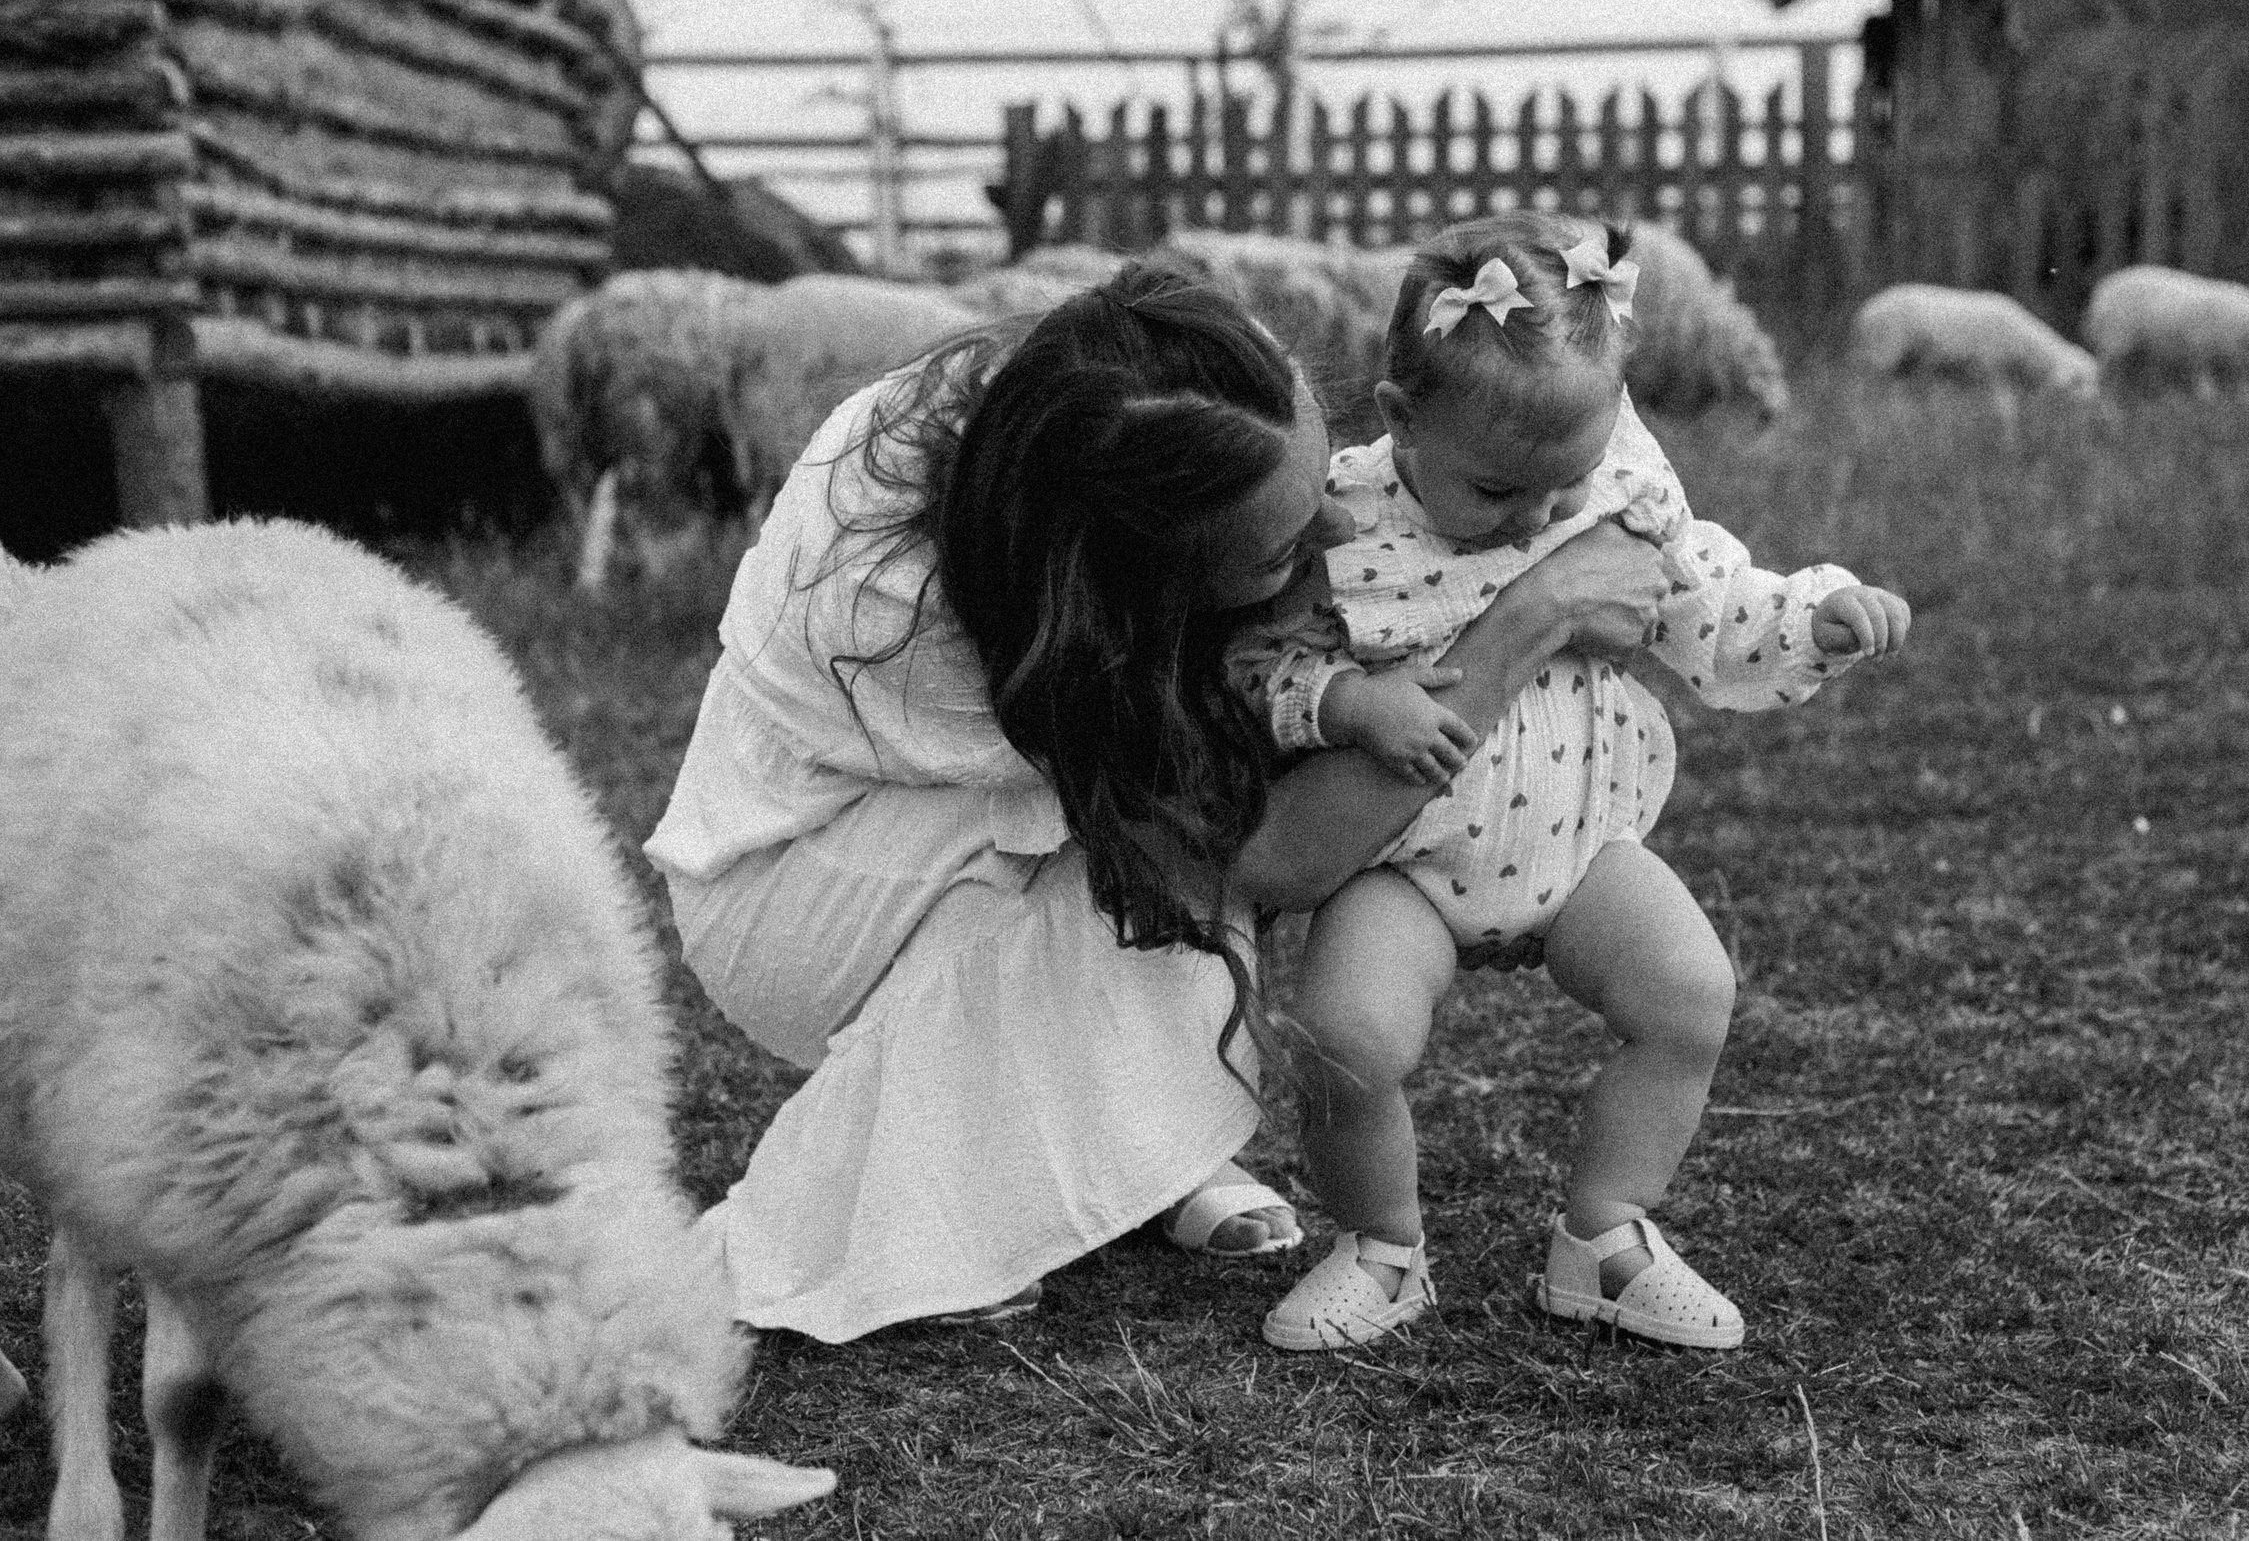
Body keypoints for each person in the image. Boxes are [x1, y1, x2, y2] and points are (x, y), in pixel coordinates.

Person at [642, 262, 1681, 1340]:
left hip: (913, 815)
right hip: (793, 891)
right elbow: (1279, 861)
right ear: (1133, 585)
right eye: (1282, 547)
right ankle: (947, 1218)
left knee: (1160, 841)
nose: (1336, 529)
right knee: (1157, 868)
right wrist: (1530, 615)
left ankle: (1117, 1168)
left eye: (1320, 470)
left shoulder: (1118, 403)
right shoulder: (933, 629)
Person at [1231, 213, 1911, 1352]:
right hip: (1403, 864)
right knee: (1347, 1034)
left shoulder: (1622, 490)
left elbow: (1711, 607)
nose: (1542, 518)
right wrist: (1347, 703)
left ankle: (1605, 1235)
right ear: (1403, 419)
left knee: (1689, 995)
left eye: (1567, 484)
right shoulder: (1342, 521)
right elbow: (1262, 667)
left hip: (1583, 843)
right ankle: (1380, 1247)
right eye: (1499, 492)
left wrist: (1814, 621)